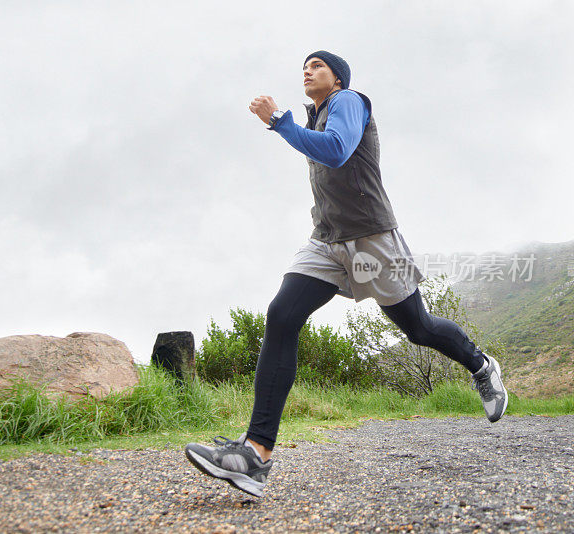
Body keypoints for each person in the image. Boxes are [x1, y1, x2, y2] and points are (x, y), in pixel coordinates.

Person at [184, 50, 508, 498]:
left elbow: (338, 152)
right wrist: (289, 124)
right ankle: (256, 454)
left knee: (417, 327)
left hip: (371, 238)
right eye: (304, 65)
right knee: (282, 315)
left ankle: (480, 364)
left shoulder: (349, 101)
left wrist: (278, 120)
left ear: (337, 79)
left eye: (317, 65)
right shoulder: (311, 119)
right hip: (326, 239)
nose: (307, 70)